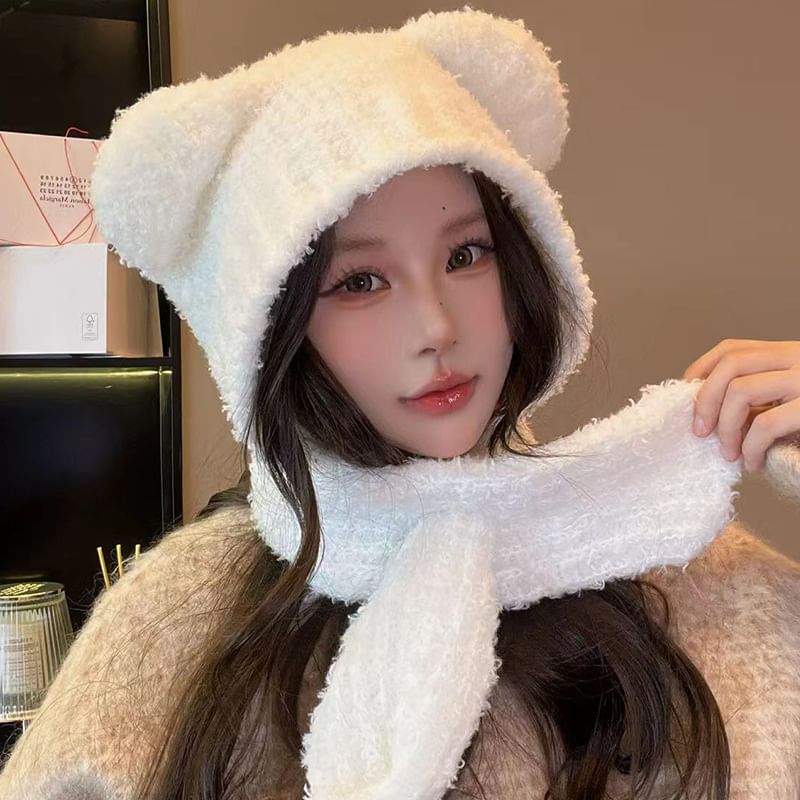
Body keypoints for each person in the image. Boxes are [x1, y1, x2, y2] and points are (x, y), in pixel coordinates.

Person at [1, 8, 798, 800]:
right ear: (269, 328)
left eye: (466, 254)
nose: (436, 327)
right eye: (359, 281)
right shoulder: (170, 622)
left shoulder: (679, 560)